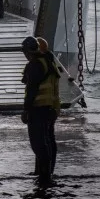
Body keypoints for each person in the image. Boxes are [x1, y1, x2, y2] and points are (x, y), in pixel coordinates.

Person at [20, 36, 61, 185]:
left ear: (27, 51)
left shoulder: (35, 65)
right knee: (48, 140)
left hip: (39, 108)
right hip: (51, 108)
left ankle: (45, 177)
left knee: (38, 143)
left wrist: (26, 110)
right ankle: (45, 173)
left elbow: (31, 89)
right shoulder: (49, 62)